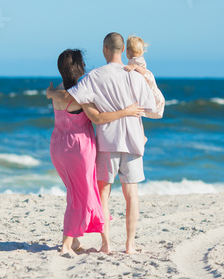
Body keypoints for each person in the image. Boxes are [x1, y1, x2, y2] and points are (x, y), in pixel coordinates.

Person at [47, 33, 156, 254]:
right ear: (122, 50)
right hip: (113, 143)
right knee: (123, 194)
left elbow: (68, 97)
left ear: (105, 49)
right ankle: (127, 245)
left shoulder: (90, 79)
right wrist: (143, 79)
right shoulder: (133, 77)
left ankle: (100, 243)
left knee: (93, 193)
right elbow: (155, 108)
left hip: (85, 143)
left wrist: (49, 93)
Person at [124, 35, 165, 119]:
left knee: (152, 94)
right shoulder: (133, 60)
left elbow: (143, 70)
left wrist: (135, 66)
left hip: (147, 80)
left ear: (127, 51)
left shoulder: (138, 60)